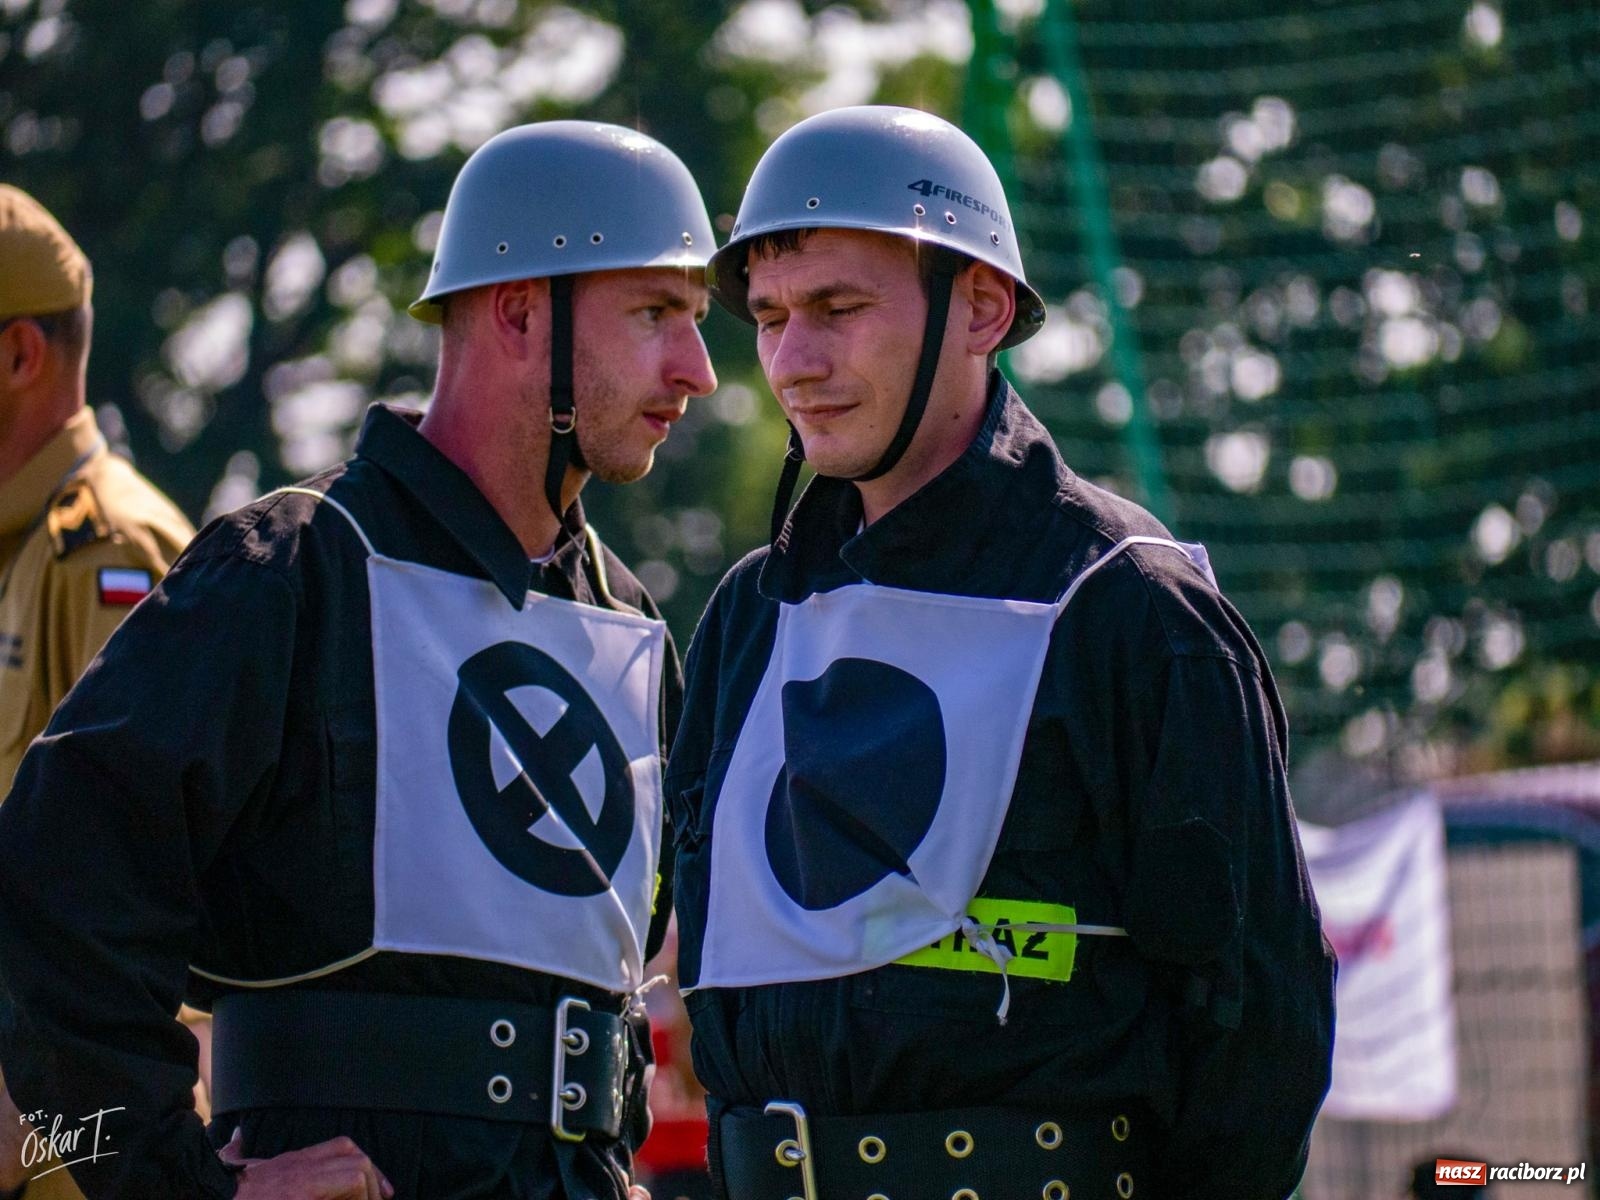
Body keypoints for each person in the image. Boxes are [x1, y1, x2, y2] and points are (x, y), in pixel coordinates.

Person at [0, 120, 718, 1200]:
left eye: (696, 321)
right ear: (521, 311)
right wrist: (179, 1188)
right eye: (656, 314)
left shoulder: (637, 626)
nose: (698, 371)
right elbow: (41, 927)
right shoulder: (291, 570)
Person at [665, 106, 1336, 1200]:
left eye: (837, 308)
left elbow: (1258, 1022)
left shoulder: (1131, 607)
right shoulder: (750, 612)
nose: (792, 361)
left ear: (980, 307)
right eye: (772, 316)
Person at [0, 185, 196, 1200]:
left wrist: (40, 1141)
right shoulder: (23, 551)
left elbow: (159, 920)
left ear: (21, 355)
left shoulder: (112, 552)